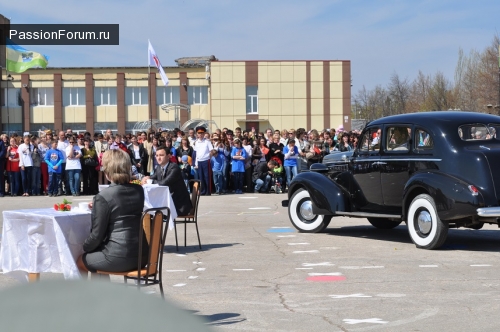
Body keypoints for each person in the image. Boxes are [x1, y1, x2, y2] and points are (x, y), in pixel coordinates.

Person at [77, 149, 146, 274]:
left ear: (108, 171)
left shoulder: (103, 196)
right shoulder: (139, 190)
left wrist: (82, 247)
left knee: (80, 261)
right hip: (142, 255)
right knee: (96, 255)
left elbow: (97, 236)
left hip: (119, 256)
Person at [141, 146, 193, 216]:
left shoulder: (174, 167)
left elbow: (165, 183)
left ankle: (155, 225)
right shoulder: (159, 167)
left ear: (169, 156)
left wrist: (149, 181)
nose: (158, 158)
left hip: (179, 206)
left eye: (161, 155)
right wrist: (147, 178)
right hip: (167, 202)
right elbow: (153, 177)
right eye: (157, 155)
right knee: (147, 210)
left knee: (151, 212)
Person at [193, 126, 213, 196]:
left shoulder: (207, 142)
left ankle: (208, 191)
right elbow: (196, 153)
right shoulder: (196, 142)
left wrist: (208, 158)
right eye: (199, 133)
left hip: (206, 160)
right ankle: (203, 191)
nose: (200, 134)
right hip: (199, 161)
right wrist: (195, 163)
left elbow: (211, 151)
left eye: (202, 133)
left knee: (207, 176)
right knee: (201, 177)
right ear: (197, 134)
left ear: (204, 134)